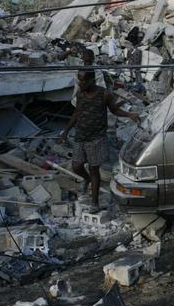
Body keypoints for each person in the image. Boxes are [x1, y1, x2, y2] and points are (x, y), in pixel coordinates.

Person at [60, 70, 140, 213]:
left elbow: (114, 110)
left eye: (84, 80)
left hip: (96, 138)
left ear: (92, 80)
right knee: (76, 166)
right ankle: (87, 180)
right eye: (79, 80)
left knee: (94, 169)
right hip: (80, 135)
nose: (81, 83)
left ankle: (94, 203)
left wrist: (129, 115)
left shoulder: (104, 94)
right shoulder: (80, 94)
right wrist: (66, 131)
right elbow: (77, 113)